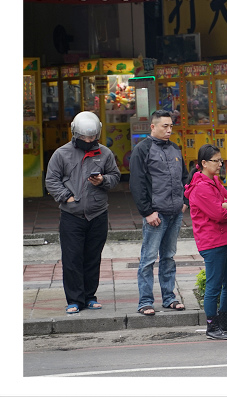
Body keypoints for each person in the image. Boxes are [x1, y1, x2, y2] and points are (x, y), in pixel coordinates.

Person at [45, 111, 120, 313]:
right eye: (84, 137)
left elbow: (115, 176)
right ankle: (74, 300)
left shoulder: (104, 153)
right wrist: (65, 197)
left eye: (92, 137)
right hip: (72, 215)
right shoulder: (61, 154)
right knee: (72, 258)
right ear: (75, 133)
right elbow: (51, 180)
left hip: (98, 214)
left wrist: (103, 180)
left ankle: (90, 296)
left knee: (92, 258)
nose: (88, 140)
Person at [130, 109, 189, 316]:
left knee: (169, 257)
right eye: (165, 126)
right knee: (148, 259)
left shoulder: (174, 149)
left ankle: (169, 297)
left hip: (175, 213)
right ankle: (145, 301)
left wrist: (184, 201)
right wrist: (147, 212)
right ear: (153, 127)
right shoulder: (142, 150)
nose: (169, 130)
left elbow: (185, 178)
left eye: (171, 126)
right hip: (155, 215)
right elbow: (137, 184)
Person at [184, 144, 227, 340]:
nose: (220, 164)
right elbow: (220, 214)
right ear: (203, 163)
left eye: (220, 160)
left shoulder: (214, 181)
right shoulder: (201, 187)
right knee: (214, 285)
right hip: (211, 241)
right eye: (216, 161)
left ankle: (226, 321)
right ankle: (212, 326)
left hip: (222, 238)